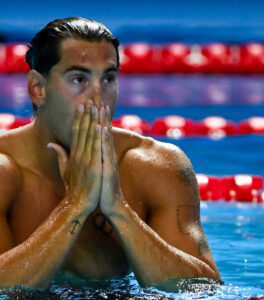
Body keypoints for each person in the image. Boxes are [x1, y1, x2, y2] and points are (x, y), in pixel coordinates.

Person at [0, 17, 220, 291]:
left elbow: (203, 289)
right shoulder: (5, 171)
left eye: (108, 78)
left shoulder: (154, 166)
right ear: (38, 88)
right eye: (79, 79)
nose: (97, 97)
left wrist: (118, 208)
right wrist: (76, 205)